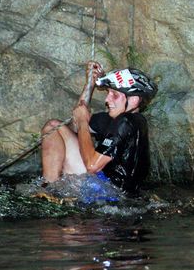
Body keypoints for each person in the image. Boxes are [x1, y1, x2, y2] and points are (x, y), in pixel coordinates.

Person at [40, 61, 157, 195]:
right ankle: (49, 189)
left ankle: (48, 191)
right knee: (54, 127)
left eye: (115, 95)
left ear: (134, 100)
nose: (107, 99)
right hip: (105, 186)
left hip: (110, 195)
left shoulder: (127, 121)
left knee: (53, 126)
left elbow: (92, 166)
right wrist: (90, 85)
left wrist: (83, 121)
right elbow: (74, 127)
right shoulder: (117, 119)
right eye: (108, 93)